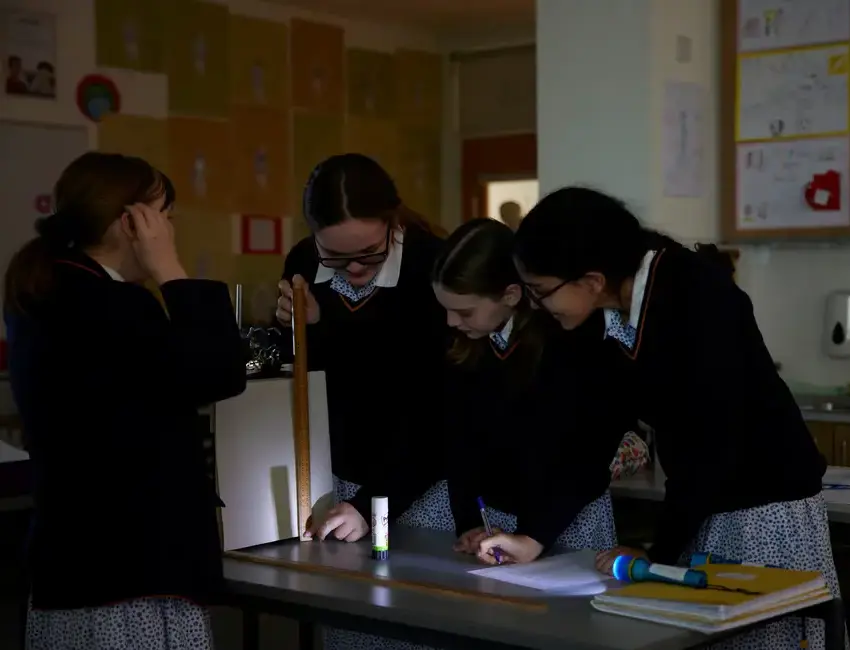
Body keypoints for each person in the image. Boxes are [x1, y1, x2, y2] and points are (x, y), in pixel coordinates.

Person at [512, 187, 839, 650]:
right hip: (698, 502)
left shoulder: (696, 293)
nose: (537, 305)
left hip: (762, 507)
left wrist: (656, 552)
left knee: (760, 636)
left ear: (591, 279)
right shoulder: (597, 319)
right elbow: (592, 438)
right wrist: (534, 537)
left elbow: (714, 438)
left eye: (541, 292)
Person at [3, 152, 247, 650]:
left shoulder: (49, 287)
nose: (169, 230)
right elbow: (218, 371)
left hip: (77, 561)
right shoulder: (112, 304)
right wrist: (171, 269)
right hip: (132, 571)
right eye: (164, 217)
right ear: (129, 222)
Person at [275, 153, 450, 650]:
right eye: (335, 255)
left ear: (393, 220)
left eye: (369, 254)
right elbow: (299, 374)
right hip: (342, 472)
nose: (353, 268)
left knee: (416, 621)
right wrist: (294, 334)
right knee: (351, 621)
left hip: (419, 477)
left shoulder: (430, 265)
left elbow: (431, 404)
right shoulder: (303, 264)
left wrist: (375, 501)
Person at [434, 218, 621, 566]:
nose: (450, 322)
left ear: (511, 295)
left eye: (463, 311)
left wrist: (534, 536)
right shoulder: (468, 345)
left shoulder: (565, 341)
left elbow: (585, 456)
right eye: (446, 309)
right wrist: (469, 522)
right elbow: (458, 441)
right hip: (497, 521)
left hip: (564, 520)